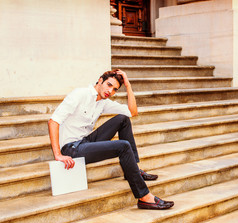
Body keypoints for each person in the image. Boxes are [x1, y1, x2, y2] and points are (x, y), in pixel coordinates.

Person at [48, 69, 174, 210]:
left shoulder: (103, 102)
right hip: (72, 149)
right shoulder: (80, 94)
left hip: (86, 142)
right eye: (108, 85)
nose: (110, 91)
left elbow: (133, 112)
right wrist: (58, 154)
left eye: (114, 89)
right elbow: (53, 121)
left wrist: (128, 85)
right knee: (123, 146)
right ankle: (144, 197)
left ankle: (133, 170)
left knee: (123, 119)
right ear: (100, 80)